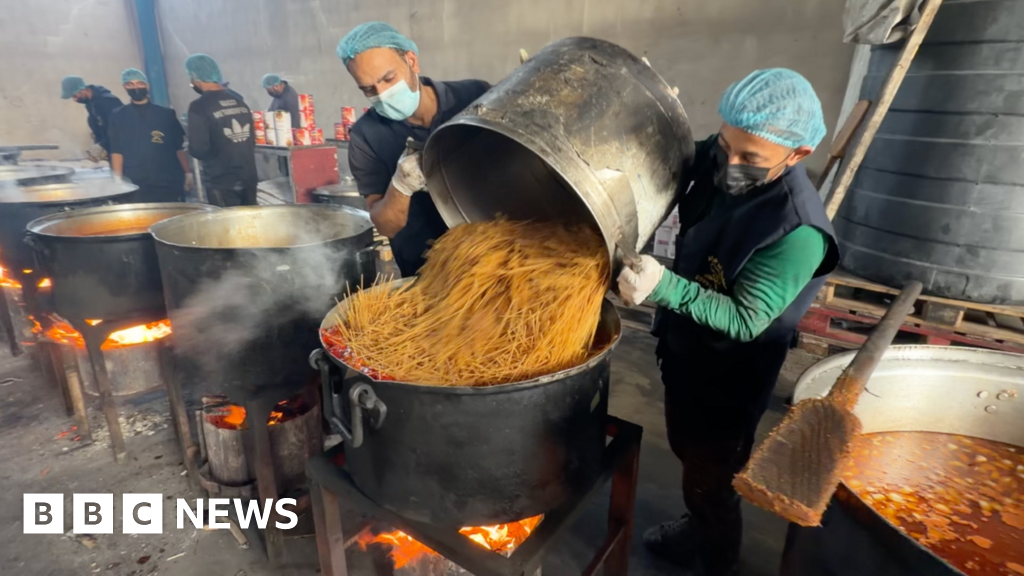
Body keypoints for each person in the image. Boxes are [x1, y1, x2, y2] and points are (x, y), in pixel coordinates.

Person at [617, 69, 840, 576]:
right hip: (687, 347)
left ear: (798, 154)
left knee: (713, 477)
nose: (729, 164)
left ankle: (718, 557)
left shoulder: (797, 230)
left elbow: (745, 318)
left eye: (750, 158)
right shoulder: (725, 154)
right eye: (725, 145)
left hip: (729, 377)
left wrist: (664, 287)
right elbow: (676, 155)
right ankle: (697, 523)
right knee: (685, 447)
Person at [336, 22, 490, 277]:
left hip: (494, 255)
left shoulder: (474, 96)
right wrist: (401, 186)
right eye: (368, 89)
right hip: (427, 269)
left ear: (412, 61)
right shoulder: (366, 136)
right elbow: (386, 227)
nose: (382, 95)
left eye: (388, 79)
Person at [107, 68, 192, 202]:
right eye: (130, 84)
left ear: (147, 86)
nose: (136, 88)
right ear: (124, 87)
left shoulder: (166, 114)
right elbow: (116, 150)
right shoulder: (118, 116)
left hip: (168, 179)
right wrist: (118, 178)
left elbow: (178, 147)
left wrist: (187, 173)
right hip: (136, 181)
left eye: (140, 83)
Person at [184, 53, 257, 207]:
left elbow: (199, 150)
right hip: (248, 177)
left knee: (227, 222)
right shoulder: (239, 102)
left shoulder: (199, 107)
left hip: (222, 181)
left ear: (196, 78)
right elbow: (252, 140)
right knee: (251, 219)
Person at [60, 75, 123, 161]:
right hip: (112, 152)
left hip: (122, 153)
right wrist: (99, 146)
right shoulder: (91, 105)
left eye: (74, 95)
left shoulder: (109, 102)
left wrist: (103, 145)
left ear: (82, 89)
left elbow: (120, 129)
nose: (74, 100)